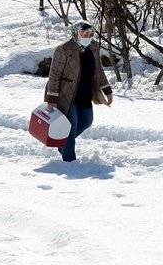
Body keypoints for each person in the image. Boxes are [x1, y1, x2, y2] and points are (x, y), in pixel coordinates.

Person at [45, 21, 113, 163]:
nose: (87, 36)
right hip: (66, 95)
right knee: (70, 127)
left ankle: (63, 144)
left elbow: (99, 71)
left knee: (86, 122)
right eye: (84, 33)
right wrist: (51, 99)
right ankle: (69, 163)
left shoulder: (93, 46)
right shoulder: (63, 49)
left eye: (90, 34)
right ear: (75, 33)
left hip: (85, 94)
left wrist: (107, 90)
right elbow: (54, 75)